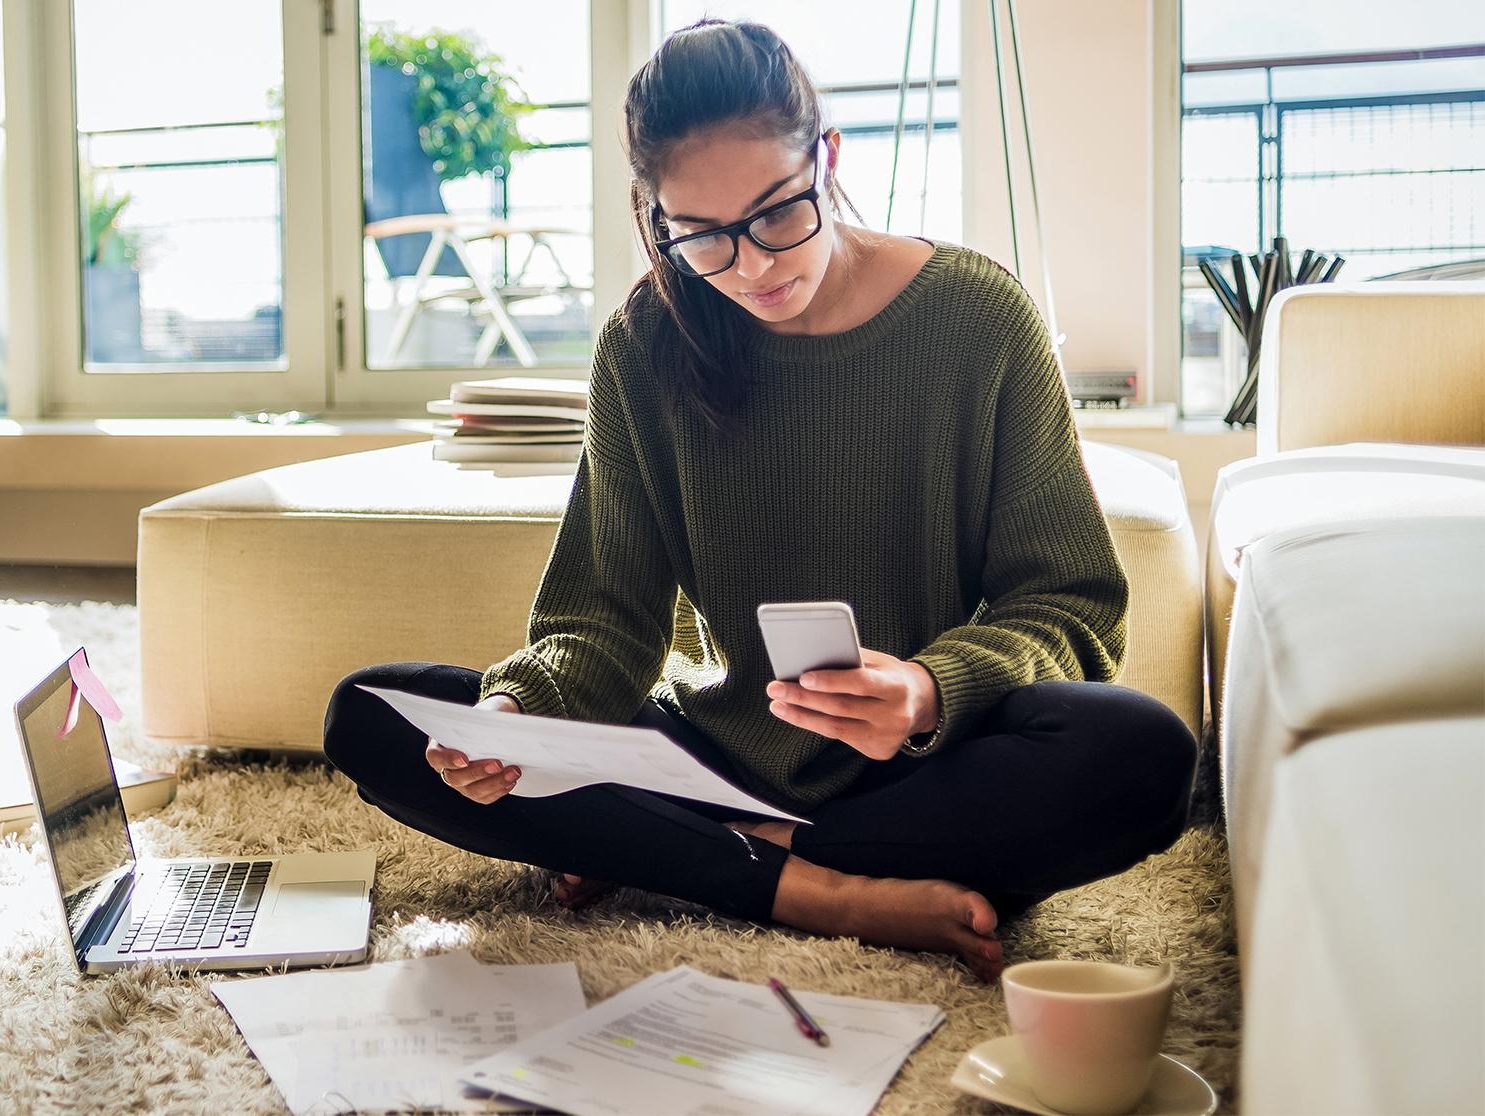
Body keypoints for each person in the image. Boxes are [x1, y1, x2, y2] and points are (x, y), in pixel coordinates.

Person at [321, 18, 1196, 981]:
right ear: (658, 217)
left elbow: (1071, 603)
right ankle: (819, 889)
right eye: (700, 237)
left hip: (914, 772)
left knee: (1142, 753)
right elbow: (604, 621)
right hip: (705, 757)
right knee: (374, 714)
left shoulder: (981, 321)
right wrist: (522, 708)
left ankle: (694, 857)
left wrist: (929, 690)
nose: (753, 266)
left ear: (825, 157)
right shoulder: (645, 348)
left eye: (779, 214)